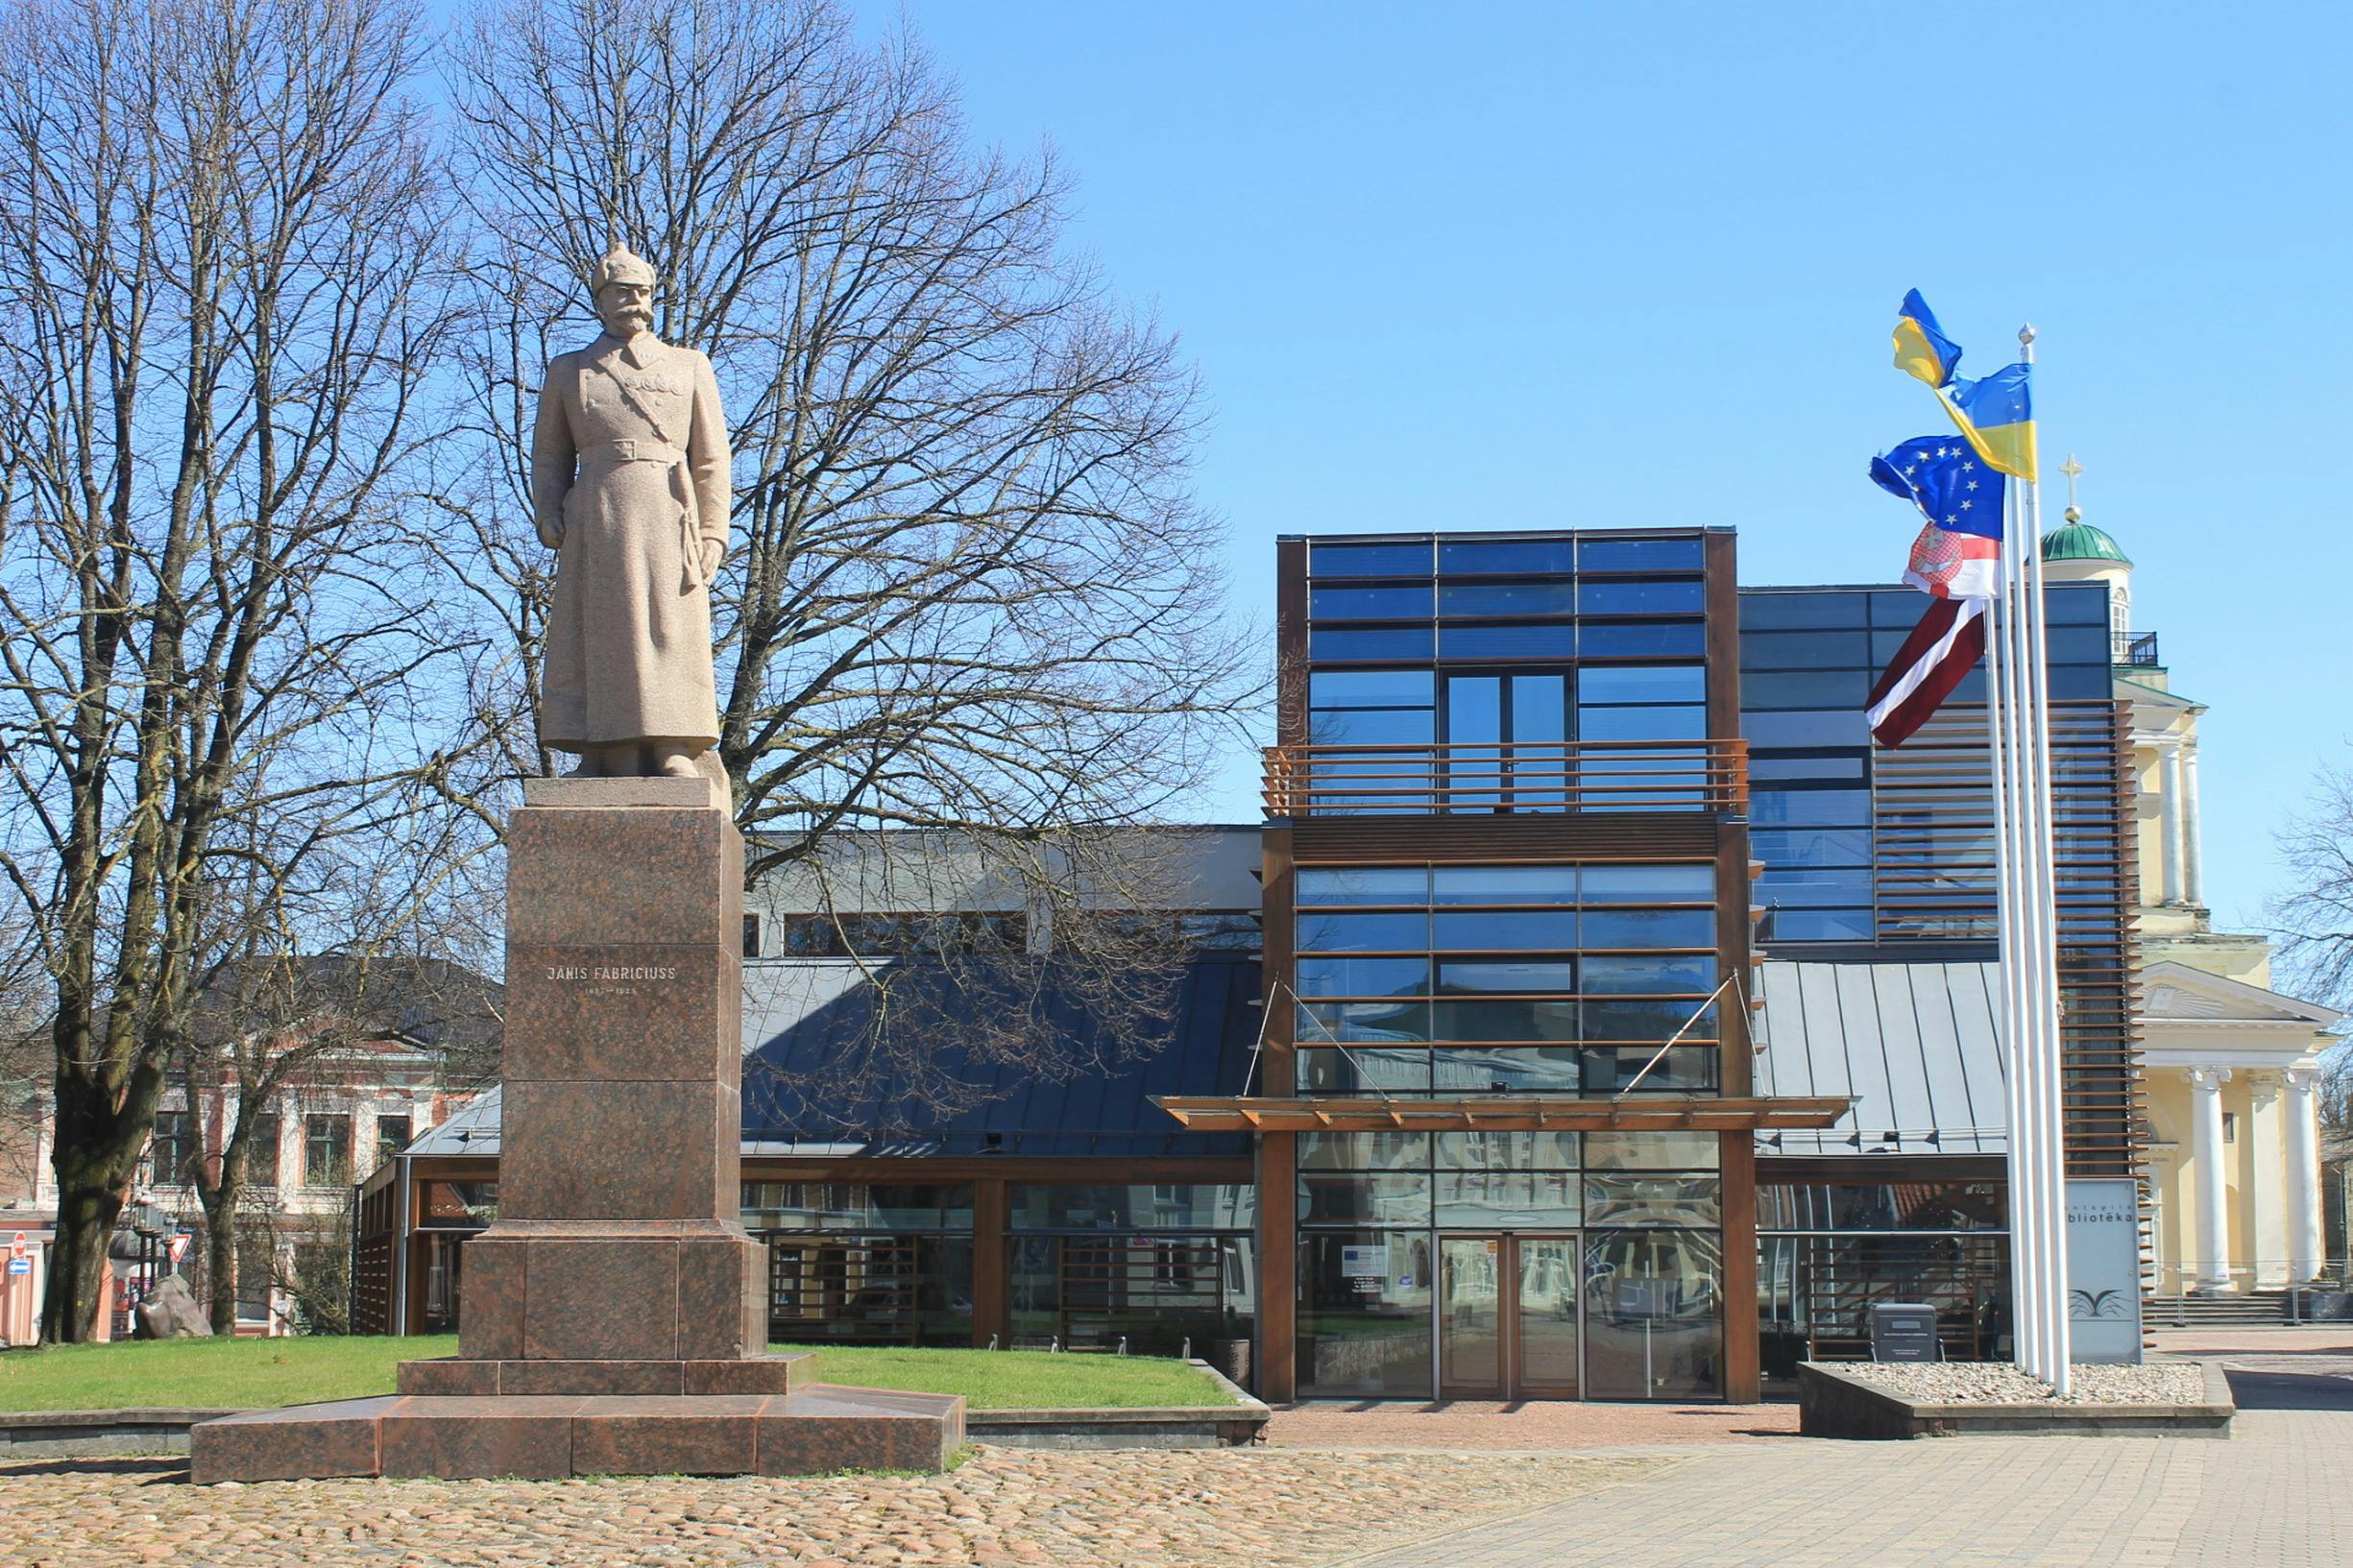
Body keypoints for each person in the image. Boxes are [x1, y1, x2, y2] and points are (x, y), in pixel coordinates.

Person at [531, 245, 730, 778]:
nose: (635, 302)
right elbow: (550, 453)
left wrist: (714, 531)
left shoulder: (689, 365)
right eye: (622, 292)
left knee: (670, 628)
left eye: (642, 292)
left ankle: (673, 744)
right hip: (598, 515)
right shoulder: (570, 370)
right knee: (601, 630)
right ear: (600, 300)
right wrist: (547, 510)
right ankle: (605, 751)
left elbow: (711, 458)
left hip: (669, 513)